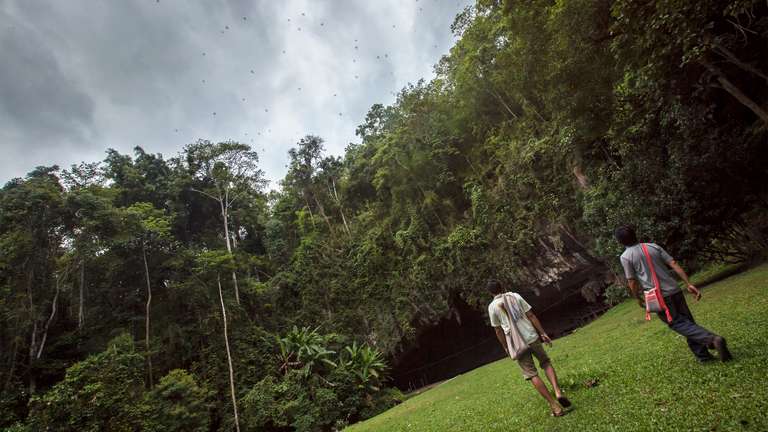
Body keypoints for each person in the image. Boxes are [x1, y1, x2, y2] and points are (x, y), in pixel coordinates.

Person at [615, 225, 732, 362]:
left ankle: (712, 339)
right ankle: (704, 356)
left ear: (620, 241)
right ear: (635, 235)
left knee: (676, 323)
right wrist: (688, 283)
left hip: (660, 297)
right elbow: (673, 263)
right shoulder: (653, 246)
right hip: (675, 290)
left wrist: (638, 298)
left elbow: (632, 280)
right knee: (687, 323)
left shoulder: (625, 257)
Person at [487, 279, 571, 417]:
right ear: (502, 287)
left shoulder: (492, 307)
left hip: (517, 344)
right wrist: (543, 333)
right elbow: (531, 315)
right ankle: (557, 391)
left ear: (490, 292)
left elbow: (498, 331)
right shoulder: (515, 296)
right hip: (532, 337)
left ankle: (554, 406)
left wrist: (506, 347)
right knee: (546, 363)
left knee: (532, 374)